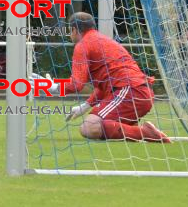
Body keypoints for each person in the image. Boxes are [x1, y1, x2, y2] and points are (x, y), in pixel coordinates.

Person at [63, 12, 170, 143]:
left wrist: (51, 86)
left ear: (74, 29)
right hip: (139, 92)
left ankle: (145, 132)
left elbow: (76, 84)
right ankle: (129, 129)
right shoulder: (104, 40)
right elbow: (106, 86)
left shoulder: (83, 45)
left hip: (129, 92)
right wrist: (85, 106)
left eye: (70, 30)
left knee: (89, 128)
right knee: (100, 125)